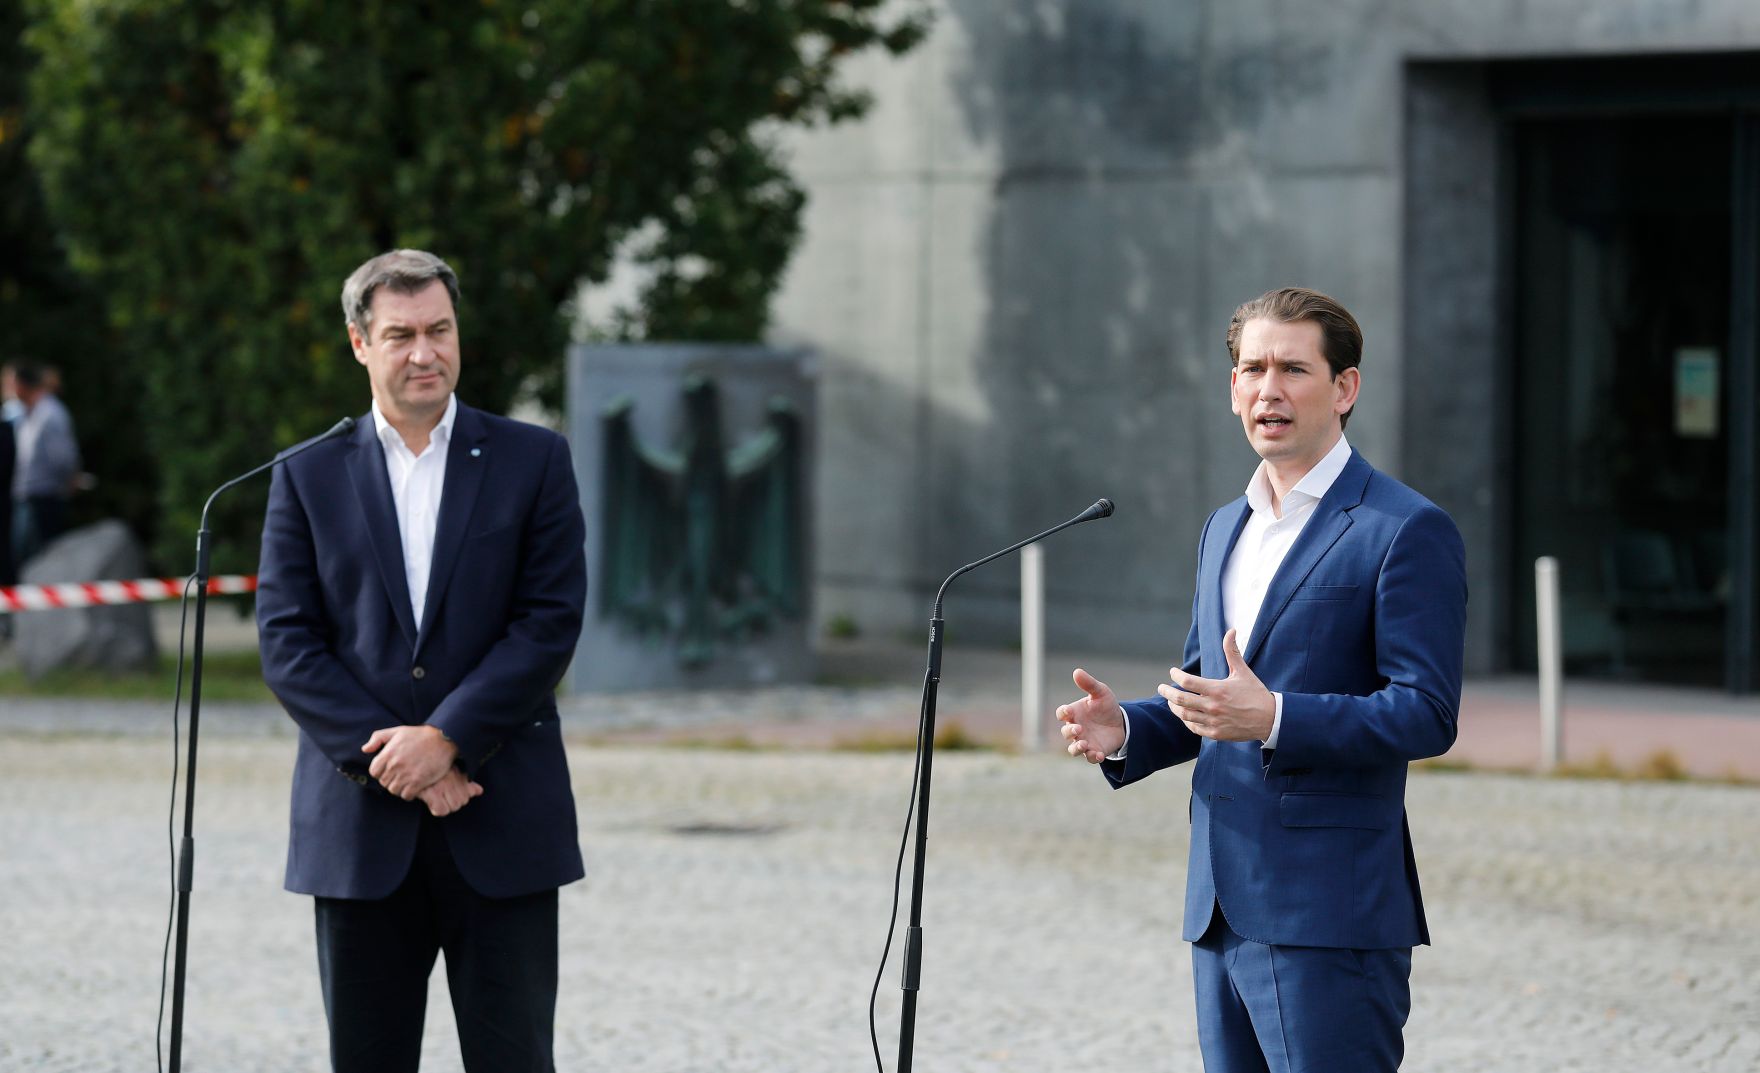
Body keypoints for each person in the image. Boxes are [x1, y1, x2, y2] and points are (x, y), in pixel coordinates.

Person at [1057, 287, 1466, 1073]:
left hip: (1329, 916)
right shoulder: (1224, 526)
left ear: (1345, 388)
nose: (1267, 389)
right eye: (1251, 368)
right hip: (1218, 907)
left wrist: (1277, 715)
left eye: (1292, 368)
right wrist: (1130, 729)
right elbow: (1212, 694)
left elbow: (1425, 713)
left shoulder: (1405, 528)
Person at [256, 249, 588, 1072]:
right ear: (359, 343)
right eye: (401, 334)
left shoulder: (533, 460)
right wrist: (399, 758)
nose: (425, 352)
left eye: (439, 329)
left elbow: (548, 622)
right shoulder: (305, 474)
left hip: (501, 813)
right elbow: (288, 641)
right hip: (360, 830)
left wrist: (447, 738)